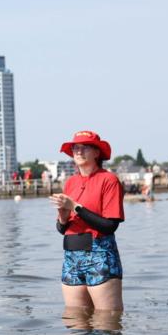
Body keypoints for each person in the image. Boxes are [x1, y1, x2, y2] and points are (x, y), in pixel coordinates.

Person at [49, 130, 124, 312]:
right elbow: (62, 228)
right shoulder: (70, 182)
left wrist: (75, 207)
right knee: (76, 324)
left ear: (97, 153)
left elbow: (110, 226)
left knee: (107, 322)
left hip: (100, 255)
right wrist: (63, 215)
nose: (79, 151)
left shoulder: (109, 180)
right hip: (71, 257)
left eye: (85, 148)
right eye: (75, 148)